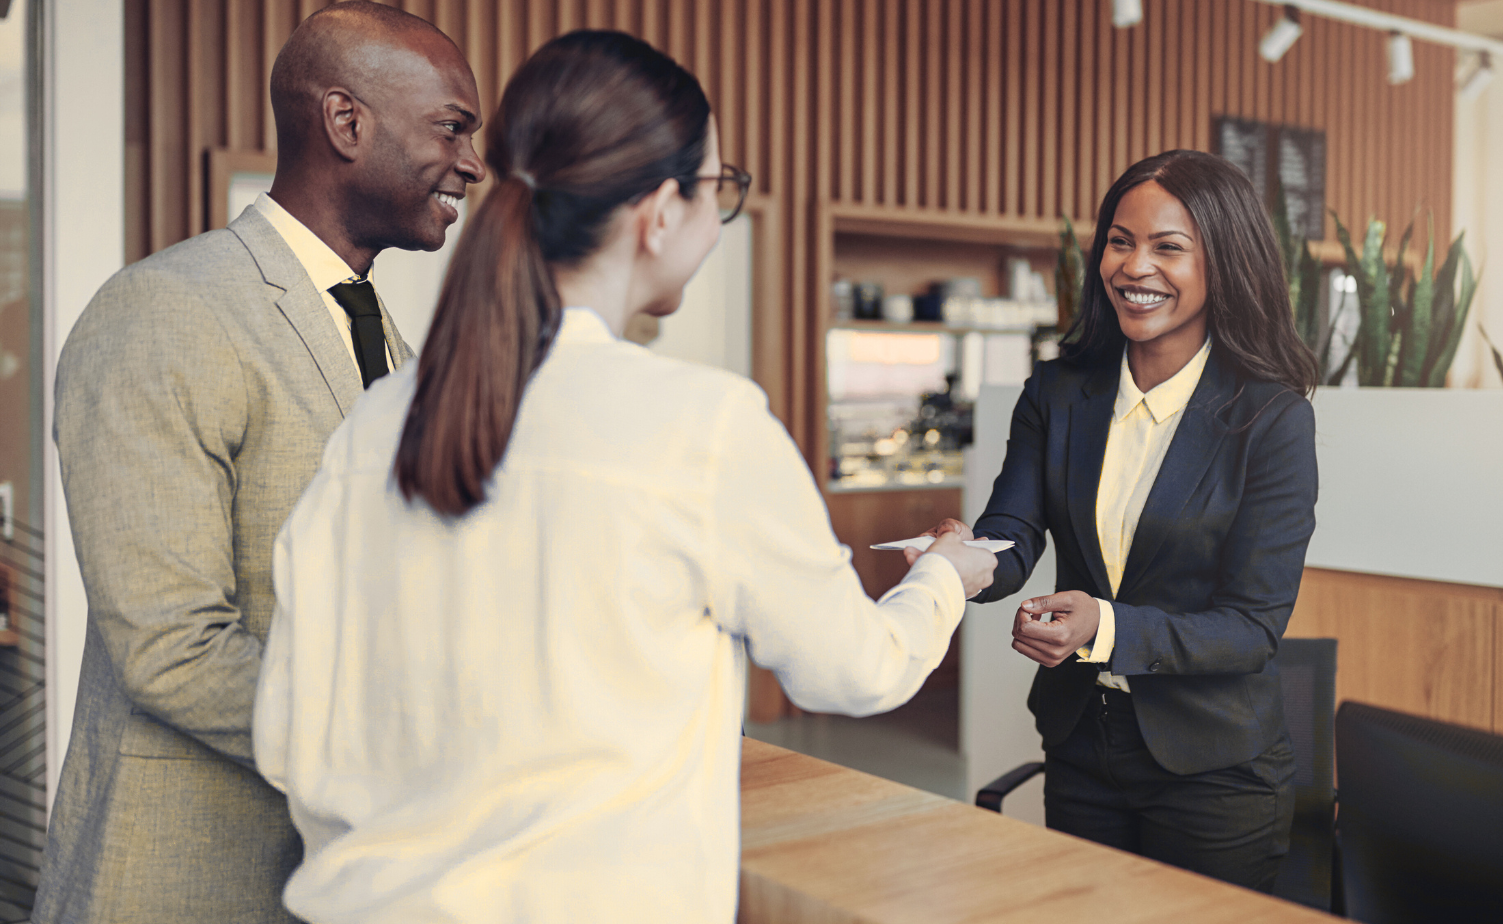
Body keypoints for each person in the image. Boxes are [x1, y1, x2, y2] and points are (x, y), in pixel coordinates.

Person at [250, 29, 996, 924]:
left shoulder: (376, 422)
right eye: (717, 189)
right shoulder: (703, 426)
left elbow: (288, 734)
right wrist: (943, 580)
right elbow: (855, 672)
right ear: (658, 211)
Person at [37, 4, 486, 921]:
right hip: (185, 879)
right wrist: (411, 752)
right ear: (346, 121)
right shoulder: (164, 312)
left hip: (335, 879)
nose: (475, 163)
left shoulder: (386, 336)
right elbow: (171, 648)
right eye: (454, 127)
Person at [922, 149, 1319, 891]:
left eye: (1169, 246)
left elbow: (1252, 625)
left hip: (1215, 774)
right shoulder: (1058, 392)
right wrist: (963, 559)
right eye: (1119, 240)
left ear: (1223, 262)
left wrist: (1102, 628)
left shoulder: (1271, 420)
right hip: (1083, 750)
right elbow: (1013, 532)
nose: (1135, 267)